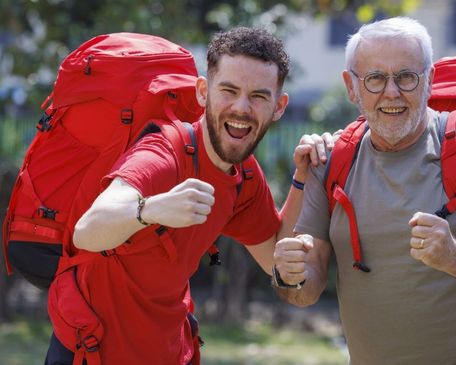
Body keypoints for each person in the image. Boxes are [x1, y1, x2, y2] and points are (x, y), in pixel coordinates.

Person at [44, 27, 333, 365]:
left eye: (258, 96)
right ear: (202, 92)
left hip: (166, 352)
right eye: (228, 90)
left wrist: (303, 177)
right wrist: (150, 209)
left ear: (279, 106)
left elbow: (274, 259)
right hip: (93, 353)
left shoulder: (244, 176)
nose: (242, 108)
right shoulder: (162, 153)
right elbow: (88, 231)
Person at [273, 17, 456, 365]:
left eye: (406, 76)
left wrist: (454, 255)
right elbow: (305, 291)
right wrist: (290, 276)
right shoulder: (331, 161)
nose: (392, 92)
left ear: (429, 80)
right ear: (351, 86)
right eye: (375, 78)